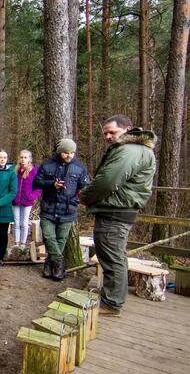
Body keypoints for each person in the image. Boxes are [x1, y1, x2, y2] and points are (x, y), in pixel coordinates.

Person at [80, 116, 156, 316]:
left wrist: (86, 196)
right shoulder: (133, 150)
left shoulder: (130, 151)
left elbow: (108, 181)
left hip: (117, 210)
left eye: (112, 132)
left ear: (127, 129)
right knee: (112, 254)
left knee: (112, 256)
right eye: (105, 133)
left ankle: (112, 302)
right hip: (117, 208)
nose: (107, 136)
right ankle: (111, 296)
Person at [34, 138, 89, 281]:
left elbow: (85, 187)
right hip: (48, 208)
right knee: (48, 237)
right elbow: (37, 182)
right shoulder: (47, 165)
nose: (69, 155)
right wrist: (52, 184)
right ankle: (59, 262)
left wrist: (79, 198)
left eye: (72, 152)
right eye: (65, 152)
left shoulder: (80, 168)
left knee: (61, 239)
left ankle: (49, 264)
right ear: (60, 152)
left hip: (68, 210)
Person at [12, 150, 42, 248]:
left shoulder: (34, 170)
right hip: (16, 200)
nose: (23, 159)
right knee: (16, 222)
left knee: (25, 223)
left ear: (29, 159)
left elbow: (38, 187)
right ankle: (16, 243)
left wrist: (31, 196)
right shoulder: (15, 170)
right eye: (21, 157)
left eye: (25, 157)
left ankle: (23, 244)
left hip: (27, 201)